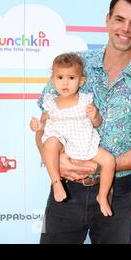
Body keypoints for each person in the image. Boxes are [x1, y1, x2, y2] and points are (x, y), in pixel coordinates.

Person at [34, 0, 131, 244]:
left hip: (117, 195)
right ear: (107, 19)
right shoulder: (74, 66)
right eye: (119, 19)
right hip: (65, 188)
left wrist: (101, 166)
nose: (126, 29)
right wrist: (54, 159)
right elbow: (43, 126)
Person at [30, 53, 115, 217]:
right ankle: (56, 182)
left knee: (109, 161)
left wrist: (95, 115)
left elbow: (97, 123)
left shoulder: (85, 100)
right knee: (50, 143)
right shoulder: (51, 104)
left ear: (81, 81)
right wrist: (38, 125)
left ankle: (102, 195)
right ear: (53, 80)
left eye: (71, 77)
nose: (65, 82)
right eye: (60, 77)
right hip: (63, 143)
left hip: (84, 141)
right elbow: (46, 127)